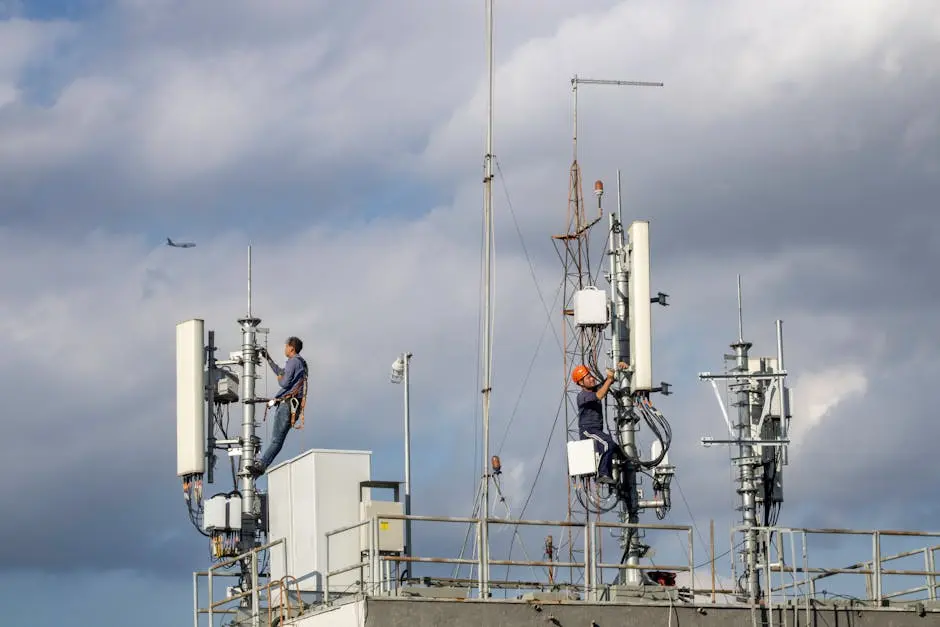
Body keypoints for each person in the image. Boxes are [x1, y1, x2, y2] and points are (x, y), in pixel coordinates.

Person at [247, 336, 308, 475]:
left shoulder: (293, 362)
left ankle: (261, 465)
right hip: (292, 407)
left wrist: (280, 379)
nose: (285, 348)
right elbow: (282, 372)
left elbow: (284, 382)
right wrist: (268, 359)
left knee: (276, 440)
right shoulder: (300, 363)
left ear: (291, 348)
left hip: (287, 405)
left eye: (286, 346)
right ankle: (262, 465)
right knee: (278, 441)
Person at [572, 361, 628, 484]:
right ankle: (603, 474)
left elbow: (608, 382)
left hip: (597, 430)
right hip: (588, 431)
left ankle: (621, 480)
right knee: (608, 444)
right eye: (588, 378)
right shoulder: (583, 396)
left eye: (591, 376)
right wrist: (608, 379)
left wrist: (618, 368)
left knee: (619, 451)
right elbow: (600, 394)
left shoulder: (594, 389)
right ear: (581, 383)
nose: (592, 379)